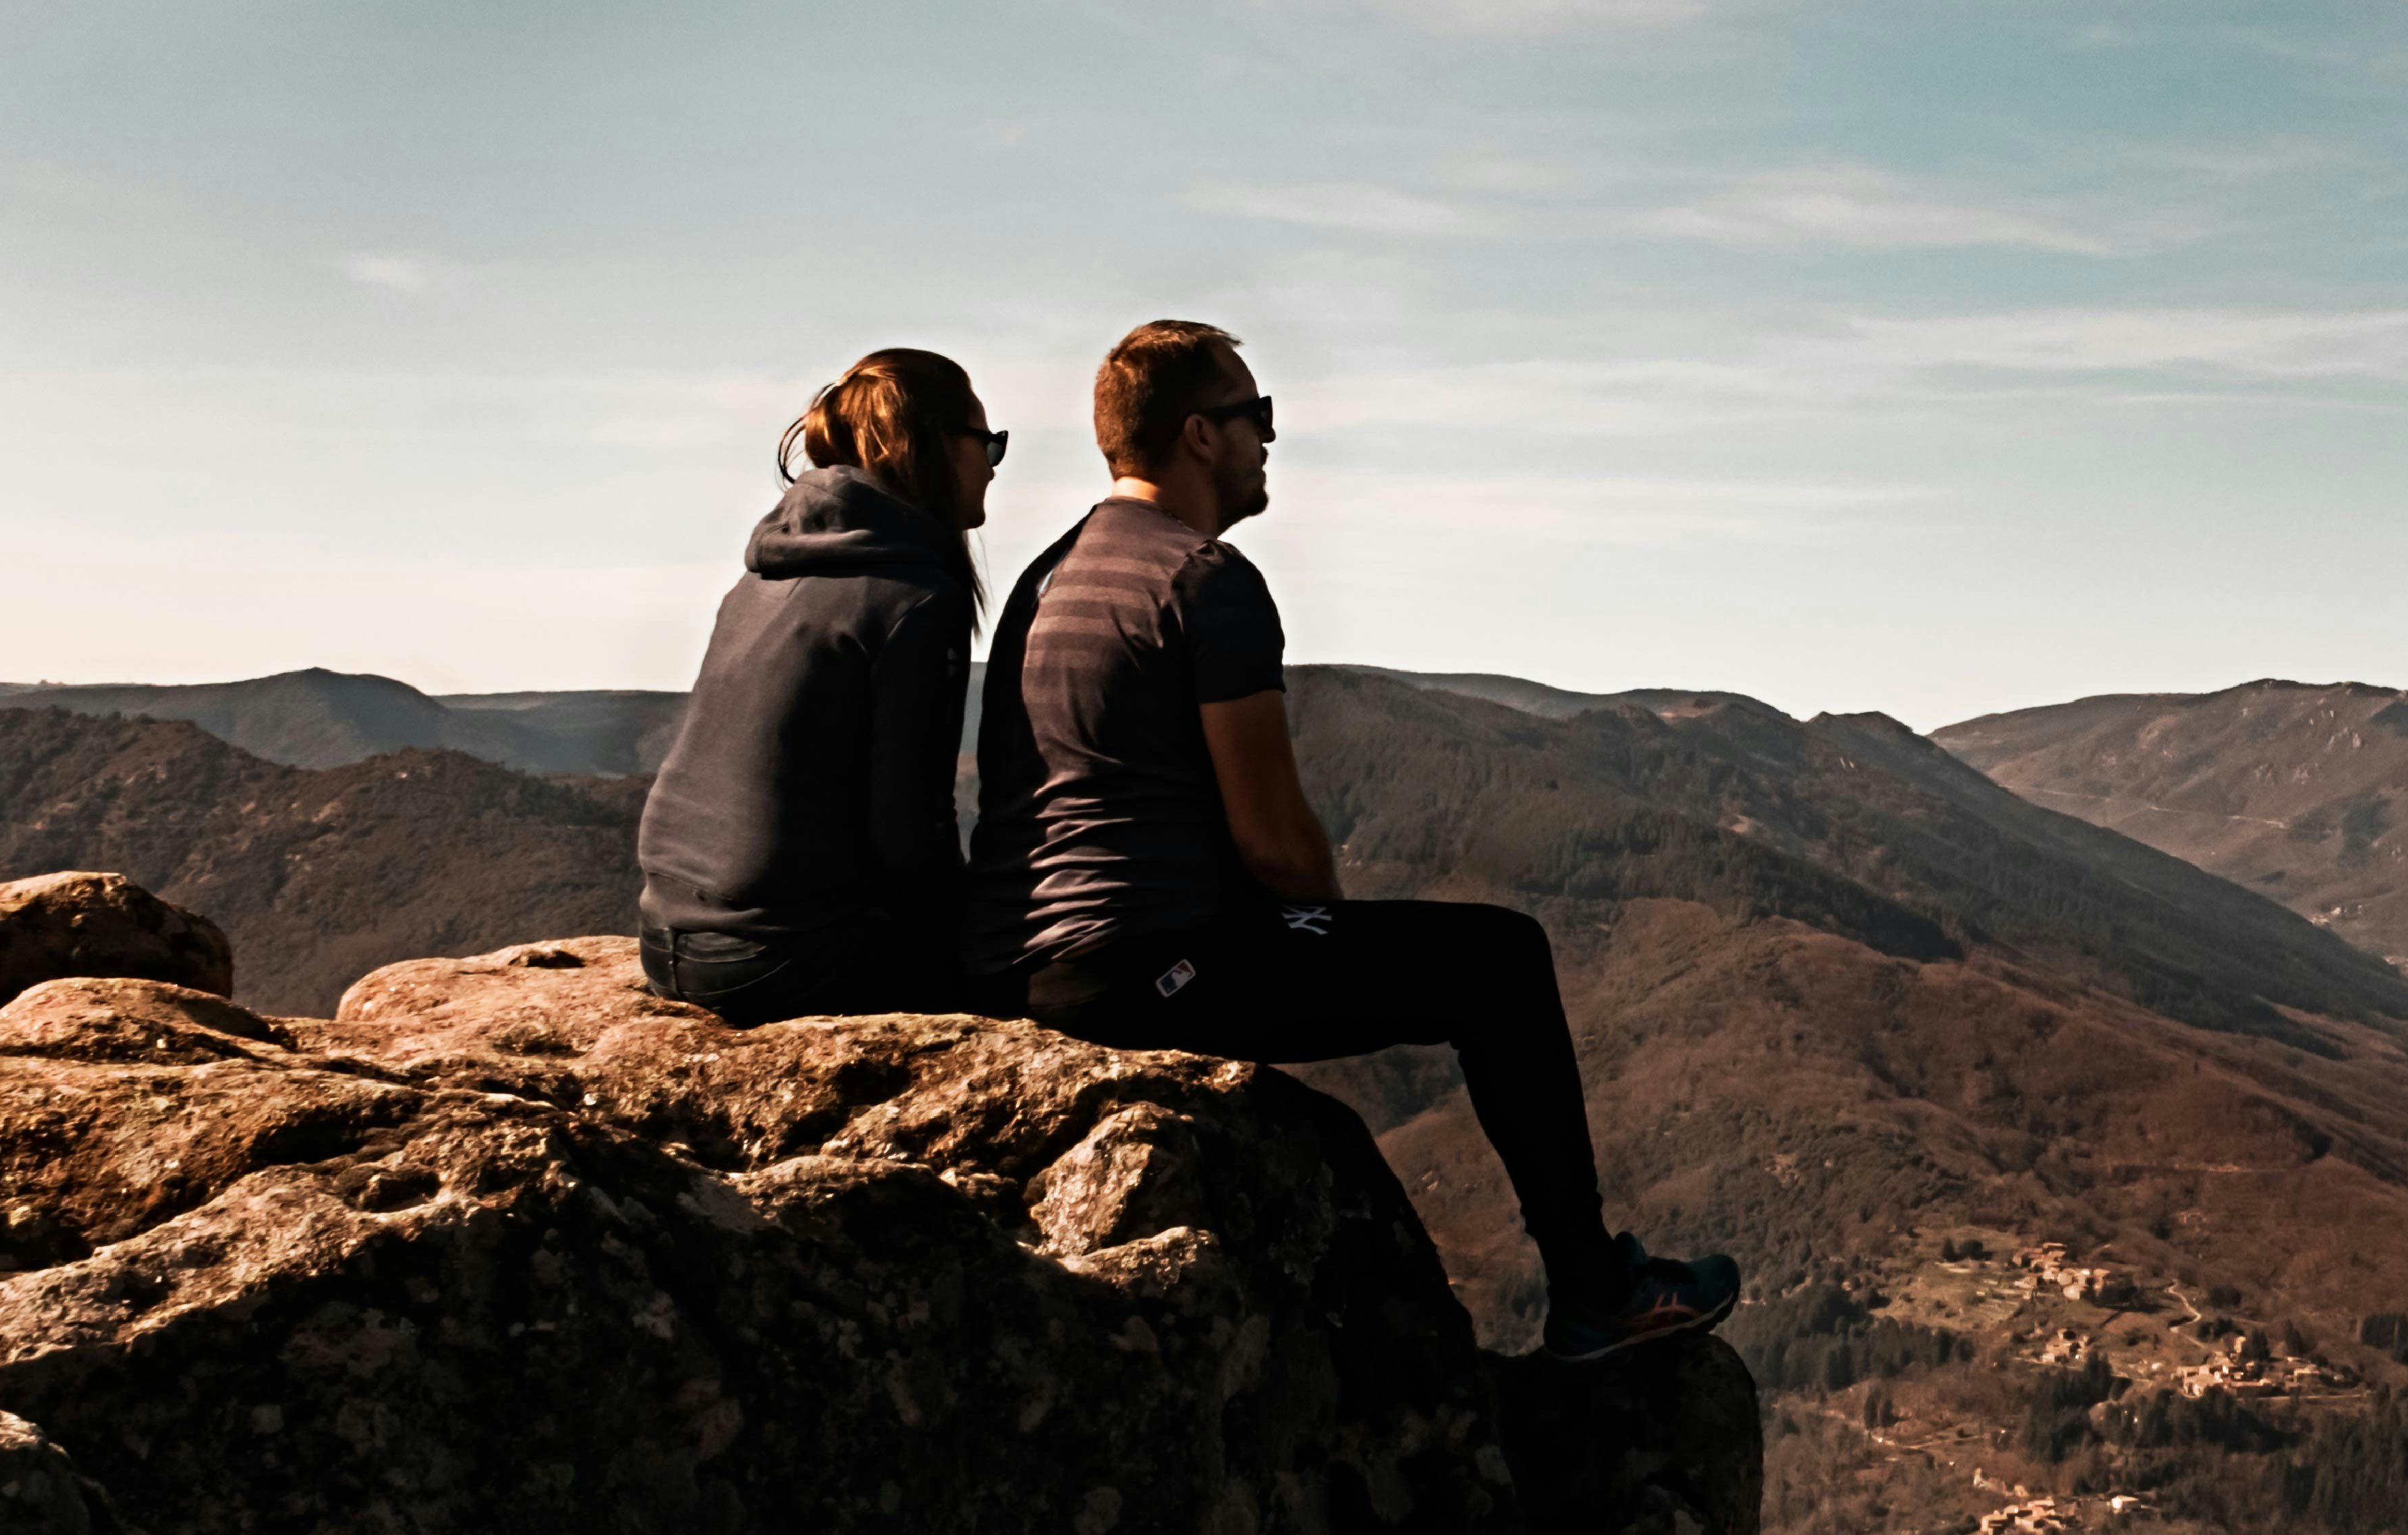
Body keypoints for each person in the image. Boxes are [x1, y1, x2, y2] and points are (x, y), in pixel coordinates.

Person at [963, 321, 1737, 1360]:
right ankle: (1596, 1287)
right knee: (1504, 961)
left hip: (1040, 971)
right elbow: (1279, 844)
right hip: (1159, 968)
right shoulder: (1204, 580)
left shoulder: (1045, 578)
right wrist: (1313, 920)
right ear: (1199, 435)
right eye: (1258, 417)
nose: (1270, 441)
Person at [637, 348, 1002, 1024]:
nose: (991, 466)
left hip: (667, 940)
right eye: (989, 443)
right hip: (780, 958)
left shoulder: (764, 575)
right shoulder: (915, 599)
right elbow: (911, 833)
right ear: (935, 447)